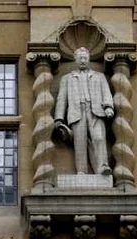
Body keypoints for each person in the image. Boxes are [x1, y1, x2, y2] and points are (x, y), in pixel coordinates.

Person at [54, 47, 114, 175]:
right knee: (80, 143)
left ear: (89, 59)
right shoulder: (67, 78)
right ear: (75, 60)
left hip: (96, 111)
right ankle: (82, 170)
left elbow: (106, 93)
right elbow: (61, 99)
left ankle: (103, 167)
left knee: (99, 138)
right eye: (80, 58)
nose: (82, 60)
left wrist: (109, 107)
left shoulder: (99, 76)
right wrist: (59, 118)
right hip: (76, 112)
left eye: (85, 58)